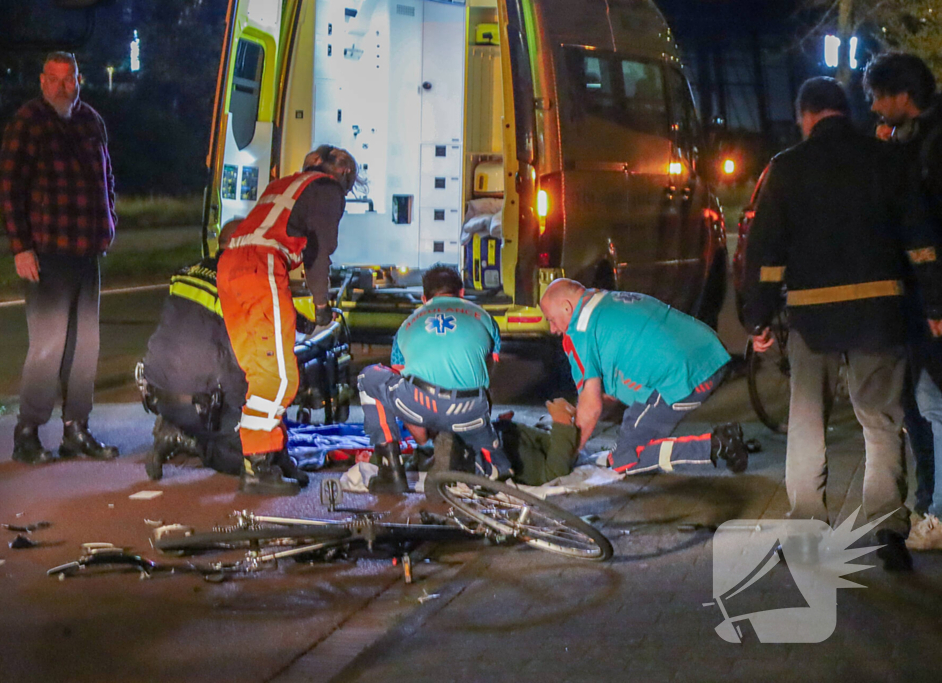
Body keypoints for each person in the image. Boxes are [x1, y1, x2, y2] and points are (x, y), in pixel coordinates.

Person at [744, 77, 942, 571]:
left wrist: (758, 317)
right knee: (881, 422)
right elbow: (921, 241)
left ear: (807, 115)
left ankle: (808, 531)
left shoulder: (785, 169)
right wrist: (936, 305)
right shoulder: (889, 160)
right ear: (844, 111)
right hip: (881, 313)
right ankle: (888, 531)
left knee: (808, 423)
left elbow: (764, 254)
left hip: (813, 318)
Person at [0, 52, 118, 464]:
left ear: (79, 81)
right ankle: (27, 433)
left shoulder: (91, 121)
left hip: (87, 250)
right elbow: (9, 187)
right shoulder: (27, 122)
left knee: (86, 346)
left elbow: (107, 178)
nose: (62, 87)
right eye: (54, 79)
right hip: (46, 252)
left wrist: (109, 224)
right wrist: (20, 247)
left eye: (69, 80)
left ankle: (76, 430)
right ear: (41, 80)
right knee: (48, 346)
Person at [217, 146, 359, 496]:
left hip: (233, 266)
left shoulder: (283, 185)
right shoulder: (328, 190)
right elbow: (318, 253)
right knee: (279, 378)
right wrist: (322, 305)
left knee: (262, 368)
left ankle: (275, 454)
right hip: (262, 264)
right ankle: (258, 465)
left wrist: (296, 319)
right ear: (340, 175)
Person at [137, 221, 313, 483]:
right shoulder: (238, 280)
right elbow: (240, 362)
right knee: (250, 449)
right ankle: (187, 441)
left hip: (157, 389)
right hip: (198, 401)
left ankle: (176, 425)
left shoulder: (187, 272)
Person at [539, 279, 748, 476]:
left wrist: (567, 455)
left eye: (552, 320)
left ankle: (718, 445)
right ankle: (722, 441)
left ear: (567, 308)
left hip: (682, 377)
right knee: (633, 425)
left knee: (626, 458)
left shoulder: (579, 331)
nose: (553, 329)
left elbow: (591, 408)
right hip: (711, 354)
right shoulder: (606, 300)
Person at [865, 52, 942, 551]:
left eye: (877, 97)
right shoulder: (922, 137)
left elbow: (923, 219)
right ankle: (931, 502)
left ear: (901, 96)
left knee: (931, 401)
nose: (873, 108)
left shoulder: (931, 146)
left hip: (931, 293)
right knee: (925, 399)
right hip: (928, 292)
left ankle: (935, 510)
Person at [357, 264, 507, 493]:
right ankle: (476, 456)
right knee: (489, 461)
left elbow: (401, 381)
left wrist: (423, 434)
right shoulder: (486, 318)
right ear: (462, 293)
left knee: (369, 378)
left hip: (421, 405)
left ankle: (391, 472)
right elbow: (489, 375)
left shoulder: (407, 325)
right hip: (471, 412)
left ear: (424, 298)